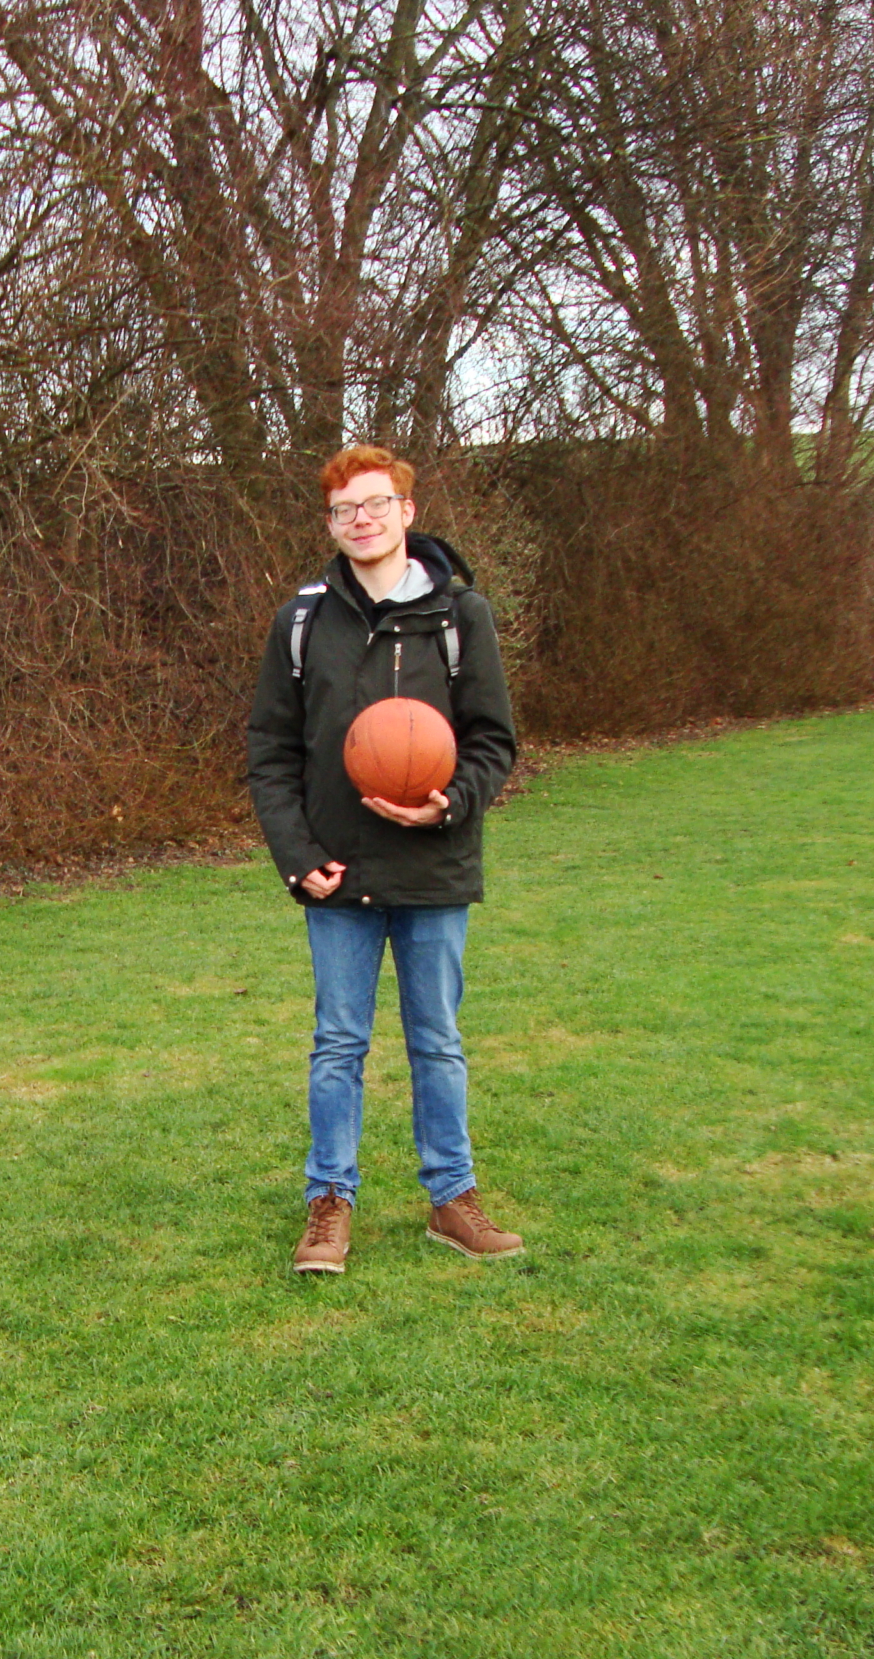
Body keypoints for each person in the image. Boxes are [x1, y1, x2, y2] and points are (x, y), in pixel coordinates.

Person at [246, 445, 522, 1276]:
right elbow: (270, 749)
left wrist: (449, 802)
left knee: (436, 1040)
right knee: (338, 1044)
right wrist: (299, 857)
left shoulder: (458, 614)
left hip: (435, 867)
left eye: (375, 504)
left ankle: (452, 1198)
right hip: (338, 873)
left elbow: (492, 740)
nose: (360, 520)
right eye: (343, 510)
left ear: (407, 510)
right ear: (330, 523)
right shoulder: (301, 622)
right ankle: (329, 1203)